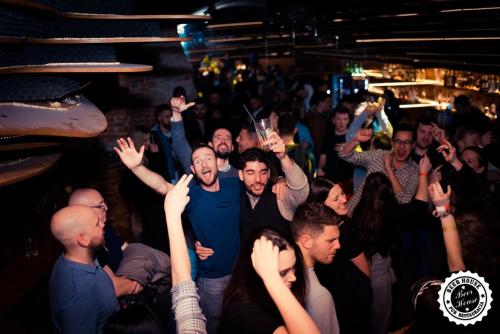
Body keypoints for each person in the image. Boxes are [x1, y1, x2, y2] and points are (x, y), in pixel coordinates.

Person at [114, 137, 240, 334]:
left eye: (208, 158)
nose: (204, 164)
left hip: (240, 273)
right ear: (192, 168)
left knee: (238, 320)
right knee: (215, 325)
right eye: (198, 161)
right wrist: (137, 167)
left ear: (217, 162)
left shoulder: (235, 185)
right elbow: (163, 186)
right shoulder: (192, 194)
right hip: (212, 280)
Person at [218, 228, 320, 334]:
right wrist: (271, 277)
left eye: (293, 267)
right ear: (258, 273)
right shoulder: (243, 313)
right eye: (282, 273)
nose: (293, 277)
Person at [308, 178, 372, 334]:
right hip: (347, 298)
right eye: (336, 198)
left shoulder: (313, 228)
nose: (344, 199)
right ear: (321, 205)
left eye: (342, 194)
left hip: (330, 297)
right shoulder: (345, 230)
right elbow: (366, 271)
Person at [49, 205, 119, 334]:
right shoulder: (80, 294)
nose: (103, 224)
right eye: (97, 223)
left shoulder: (72, 258)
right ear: (83, 239)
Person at [68, 189, 143, 297]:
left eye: (105, 203)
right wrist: (136, 279)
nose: (106, 208)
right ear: (84, 211)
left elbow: (129, 249)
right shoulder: (86, 244)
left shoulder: (104, 228)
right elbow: (113, 288)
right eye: (101, 206)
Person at [238, 136, 309, 239]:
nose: (258, 179)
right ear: (241, 175)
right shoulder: (236, 195)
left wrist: (283, 157)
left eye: (263, 172)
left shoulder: (279, 193)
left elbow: (301, 190)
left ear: (269, 173)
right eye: (250, 173)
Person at [339, 124, 419, 213]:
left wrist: (389, 169)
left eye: (407, 142)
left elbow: (404, 200)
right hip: (353, 214)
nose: (402, 146)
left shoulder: (415, 170)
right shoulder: (378, 155)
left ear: (413, 145)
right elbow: (344, 155)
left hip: (382, 224)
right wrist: (356, 140)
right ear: (392, 143)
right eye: (398, 141)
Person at [164, 174, 207, 334]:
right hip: (189, 250)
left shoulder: (231, 184)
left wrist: (171, 213)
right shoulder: (194, 190)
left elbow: (183, 290)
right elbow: (162, 185)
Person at [291, 202, 342, 334]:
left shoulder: (284, 273)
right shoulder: (319, 297)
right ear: (306, 241)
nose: (338, 246)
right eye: (331, 240)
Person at [170, 96, 239, 178]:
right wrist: (176, 113)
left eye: (228, 138)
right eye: (218, 138)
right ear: (210, 144)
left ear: (232, 147)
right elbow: (179, 143)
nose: (223, 141)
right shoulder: (197, 168)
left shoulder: (240, 175)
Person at [318, 106, 354, 186]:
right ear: (333, 120)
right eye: (339, 119)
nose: (342, 122)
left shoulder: (353, 137)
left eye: (345, 119)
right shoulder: (328, 135)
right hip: (330, 179)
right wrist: (319, 169)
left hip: (347, 181)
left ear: (349, 121)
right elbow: (323, 155)